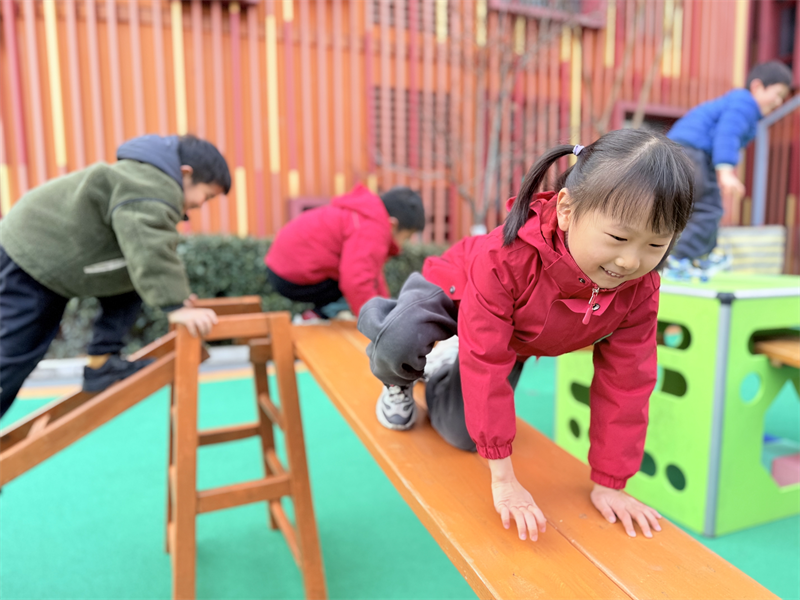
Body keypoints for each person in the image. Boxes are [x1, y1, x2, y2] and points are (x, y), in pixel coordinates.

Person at [358, 129, 695, 542]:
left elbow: (628, 382)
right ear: (567, 209)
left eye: (655, 245)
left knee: (462, 435)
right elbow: (486, 359)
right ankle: (397, 375)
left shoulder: (638, 289)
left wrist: (611, 483)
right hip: (457, 289)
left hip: (513, 336)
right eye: (619, 238)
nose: (630, 261)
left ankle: (444, 365)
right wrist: (504, 479)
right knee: (398, 340)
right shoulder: (506, 257)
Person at [0, 134, 228, 420]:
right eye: (206, 196)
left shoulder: (144, 178)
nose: (200, 206)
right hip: (32, 251)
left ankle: (103, 361)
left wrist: (178, 297)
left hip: (48, 252)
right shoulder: (153, 185)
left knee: (134, 275)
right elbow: (150, 244)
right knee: (15, 354)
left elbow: (147, 253)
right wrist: (176, 306)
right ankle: (102, 361)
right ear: (186, 174)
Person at [667, 60, 793, 262]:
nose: (779, 102)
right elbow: (727, 134)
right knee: (708, 209)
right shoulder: (745, 103)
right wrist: (725, 171)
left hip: (684, 151)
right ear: (757, 86)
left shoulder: (741, 106)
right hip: (691, 152)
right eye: (778, 94)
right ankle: (680, 259)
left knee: (694, 207)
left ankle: (700, 256)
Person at [265, 184, 425, 319]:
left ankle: (316, 315)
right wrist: (377, 323)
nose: (403, 245)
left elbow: (374, 275)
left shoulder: (365, 214)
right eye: (406, 237)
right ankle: (318, 316)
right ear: (393, 225)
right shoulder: (372, 228)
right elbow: (356, 281)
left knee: (360, 281)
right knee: (354, 285)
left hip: (282, 266)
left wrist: (387, 309)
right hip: (291, 274)